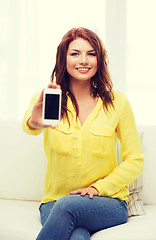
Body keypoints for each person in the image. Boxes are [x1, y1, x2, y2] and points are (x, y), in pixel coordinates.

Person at [22, 27, 144, 240]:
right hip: (55, 202)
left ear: (99, 59)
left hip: (107, 202)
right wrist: (35, 121)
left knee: (68, 206)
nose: (84, 60)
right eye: (75, 53)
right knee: (77, 235)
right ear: (63, 58)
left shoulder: (118, 102)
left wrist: (98, 188)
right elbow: (29, 125)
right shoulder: (46, 99)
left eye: (91, 53)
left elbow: (135, 160)